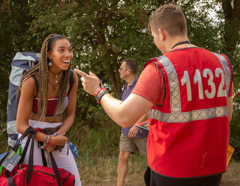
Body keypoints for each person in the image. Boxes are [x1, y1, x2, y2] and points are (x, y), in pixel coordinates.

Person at [74, 3, 233, 186]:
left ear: (161, 33)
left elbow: (124, 116)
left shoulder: (160, 68)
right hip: (212, 168)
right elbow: (226, 116)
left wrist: (98, 90)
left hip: (171, 169)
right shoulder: (222, 63)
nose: (155, 42)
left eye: (153, 36)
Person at [16, 34, 81, 185]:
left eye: (70, 50)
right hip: (32, 139)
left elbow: (70, 115)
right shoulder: (32, 80)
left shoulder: (71, 78)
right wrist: (48, 139)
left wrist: (57, 136)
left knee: (74, 182)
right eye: (61, 50)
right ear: (49, 54)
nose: (68, 54)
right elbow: (20, 126)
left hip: (58, 138)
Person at [117, 58, 148, 186]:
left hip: (141, 130)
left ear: (128, 71)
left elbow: (149, 108)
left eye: (121, 68)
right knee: (122, 156)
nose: (119, 71)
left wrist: (136, 125)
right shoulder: (126, 86)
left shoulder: (142, 85)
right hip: (126, 129)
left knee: (152, 160)